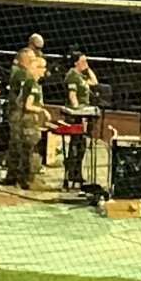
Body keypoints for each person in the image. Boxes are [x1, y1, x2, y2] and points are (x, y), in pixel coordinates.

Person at [7, 55, 53, 190]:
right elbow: (28, 105)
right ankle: (26, 180)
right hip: (29, 122)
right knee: (29, 150)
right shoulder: (32, 84)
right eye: (43, 67)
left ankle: (20, 178)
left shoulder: (32, 83)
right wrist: (42, 111)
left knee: (24, 150)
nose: (45, 71)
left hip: (28, 121)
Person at [62, 52, 98, 184]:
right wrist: (78, 111)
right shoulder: (72, 76)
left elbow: (94, 81)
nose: (85, 63)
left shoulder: (81, 76)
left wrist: (88, 69)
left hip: (85, 112)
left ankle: (78, 171)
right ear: (75, 62)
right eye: (83, 61)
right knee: (76, 144)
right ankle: (72, 171)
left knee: (82, 144)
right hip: (77, 115)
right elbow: (73, 95)